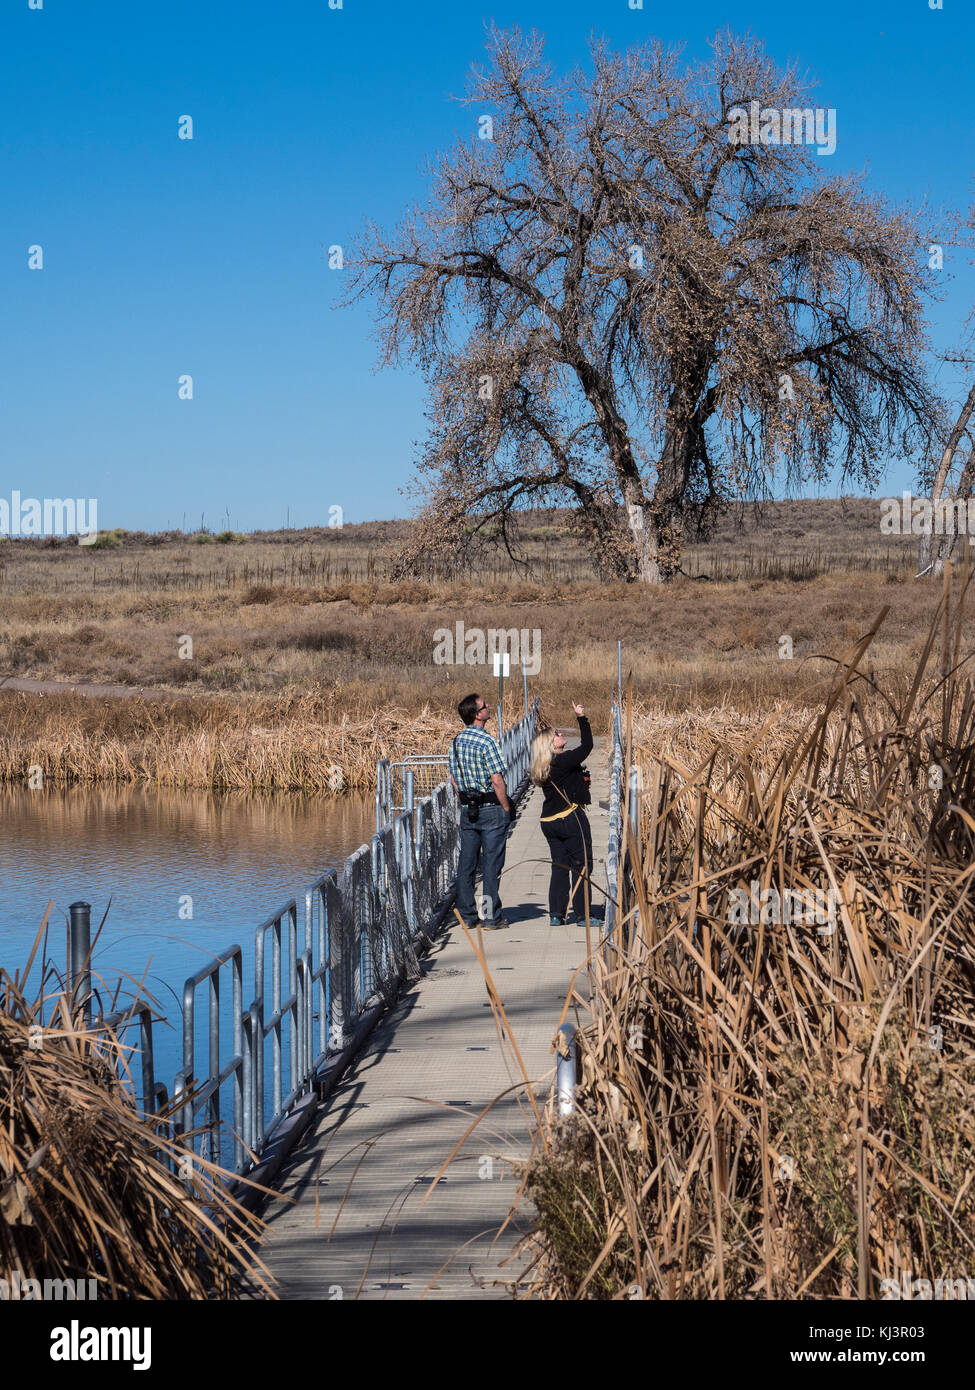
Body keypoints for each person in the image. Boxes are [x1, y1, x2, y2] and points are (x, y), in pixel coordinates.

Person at [530, 703, 604, 926]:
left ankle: (556, 914)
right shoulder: (563, 761)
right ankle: (583, 915)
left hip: (549, 822)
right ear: (551, 744)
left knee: (559, 866)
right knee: (581, 865)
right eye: (557, 735)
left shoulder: (544, 767)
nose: (561, 735)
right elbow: (588, 745)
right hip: (570, 818)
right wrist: (581, 717)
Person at [448, 693, 512, 930]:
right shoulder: (488, 742)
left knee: (466, 865)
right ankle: (490, 917)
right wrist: (506, 807)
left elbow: (454, 781)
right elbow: (497, 780)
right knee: (491, 866)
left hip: (468, 810)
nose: (489, 707)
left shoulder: (455, 742)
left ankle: (466, 915)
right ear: (478, 715)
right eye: (485, 706)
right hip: (490, 809)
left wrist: (464, 801)